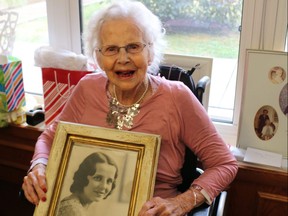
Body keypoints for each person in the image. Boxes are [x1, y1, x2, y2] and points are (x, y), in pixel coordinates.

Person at [22, 1, 238, 215]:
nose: (123, 59)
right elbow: (50, 139)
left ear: (150, 52)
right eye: (111, 49)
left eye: (133, 47)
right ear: (98, 56)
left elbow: (224, 164)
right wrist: (39, 166)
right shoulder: (87, 89)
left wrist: (181, 202)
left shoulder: (177, 97)